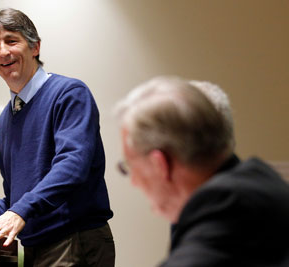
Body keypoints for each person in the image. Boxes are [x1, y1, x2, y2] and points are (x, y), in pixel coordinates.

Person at [0, 8, 114, 266]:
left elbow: (72, 166)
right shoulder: (5, 122)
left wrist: (20, 211)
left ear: (35, 47)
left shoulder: (69, 93)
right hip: (34, 247)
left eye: (11, 41)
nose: (3, 52)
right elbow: (14, 202)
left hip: (73, 241)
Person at [114, 76, 289, 266]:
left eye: (129, 166)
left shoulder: (227, 211)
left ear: (160, 164)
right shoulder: (259, 179)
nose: (133, 182)